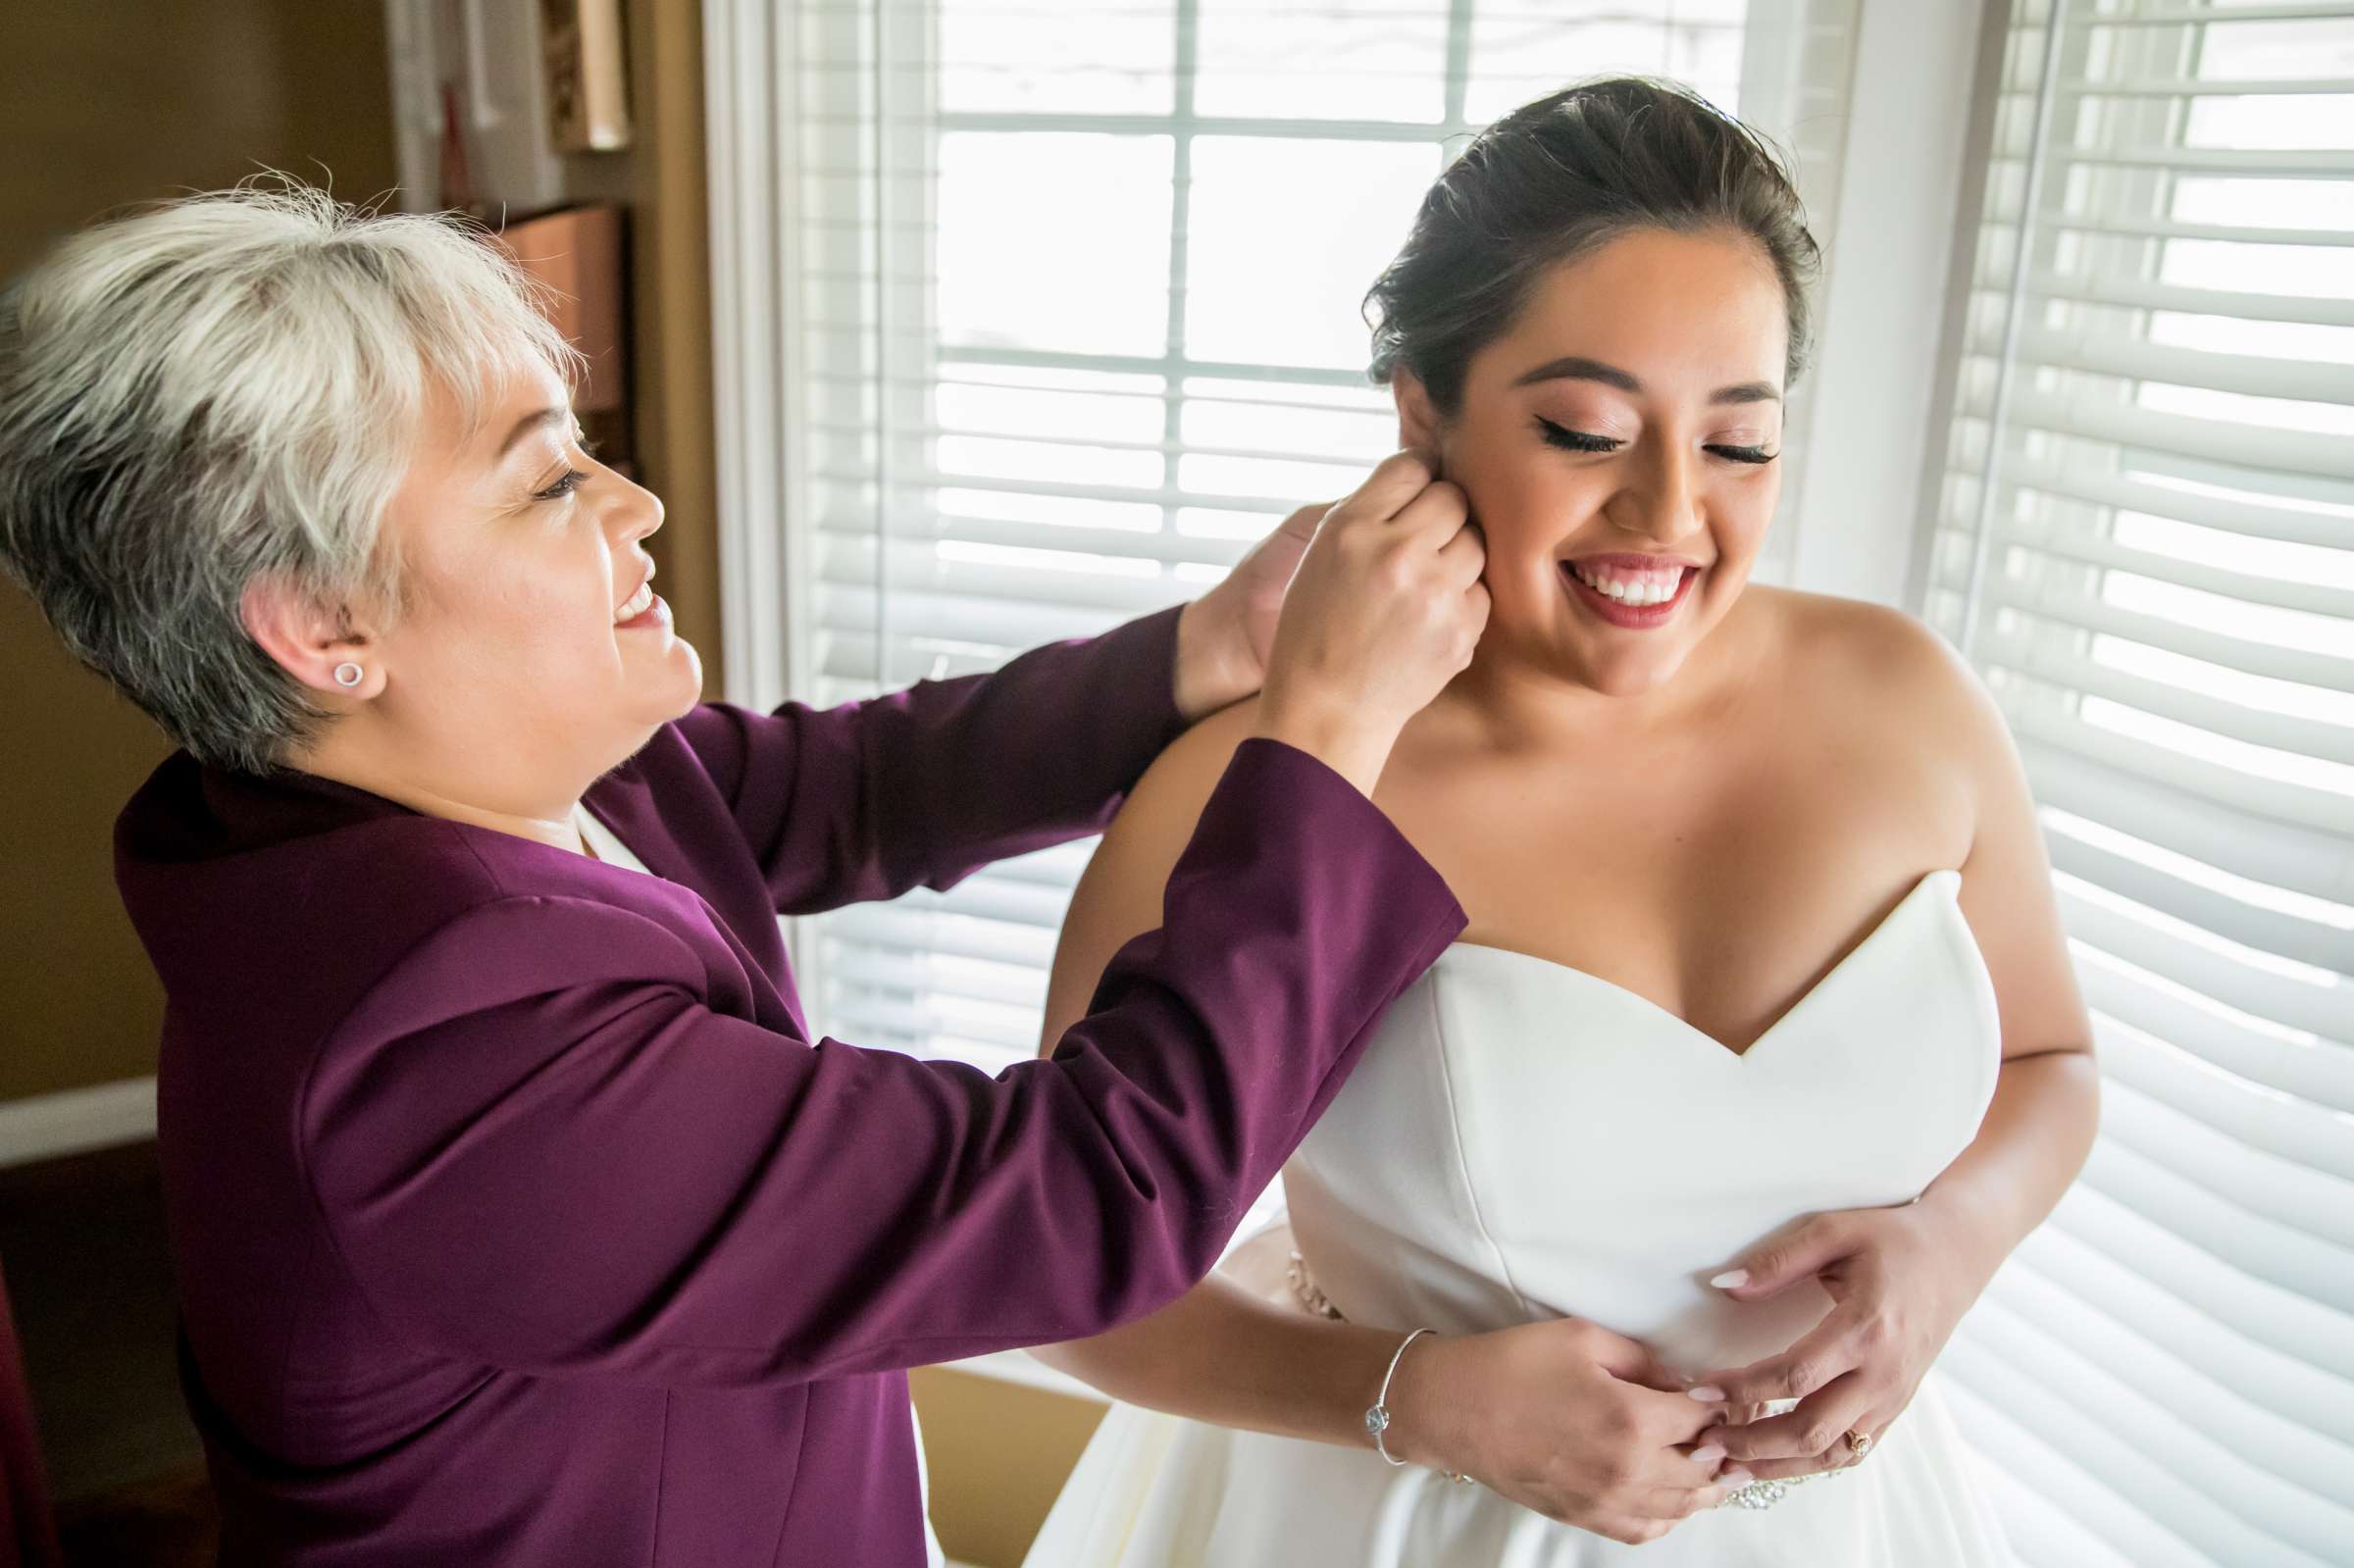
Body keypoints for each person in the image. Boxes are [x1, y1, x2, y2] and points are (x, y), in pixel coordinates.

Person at [0, 182, 1491, 1566]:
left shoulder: (438, 775)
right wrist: (1327, 731)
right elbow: (1092, 1193)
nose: (632, 507)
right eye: (543, 489)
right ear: (323, 630)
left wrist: (1209, 650)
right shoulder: (449, 1069)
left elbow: (846, 783)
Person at [1021, 77, 2098, 1566]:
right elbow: (1059, 1277)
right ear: (1425, 418)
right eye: (1588, 431)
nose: (1667, 514)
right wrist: (1423, 1399)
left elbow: (2051, 1063)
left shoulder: (1908, 701)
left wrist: (1949, 1247)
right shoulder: (1249, 794)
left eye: (1737, 442)